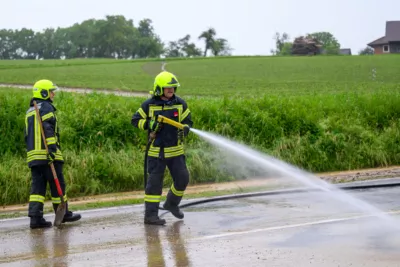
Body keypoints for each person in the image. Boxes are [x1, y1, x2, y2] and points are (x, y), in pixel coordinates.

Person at [131, 71, 193, 225]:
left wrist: (186, 127)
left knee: (183, 179)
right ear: (159, 88)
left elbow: (188, 121)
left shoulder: (180, 104)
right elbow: (135, 120)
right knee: (154, 185)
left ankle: (171, 203)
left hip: (176, 151)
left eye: (173, 88)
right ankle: (150, 216)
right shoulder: (148, 105)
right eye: (168, 88)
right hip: (156, 152)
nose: (171, 90)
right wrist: (148, 124)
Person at [24, 79, 81, 229]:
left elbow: (26, 136)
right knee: (58, 186)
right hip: (48, 156)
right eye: (51, 91)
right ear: (44, 93)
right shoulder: (47, 107)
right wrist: (52, 151)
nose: (53, 94)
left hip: (34, 158)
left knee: (37, 189)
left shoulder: (30, 111)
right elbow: (48, 130)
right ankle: (63, 214)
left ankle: (35, 219)